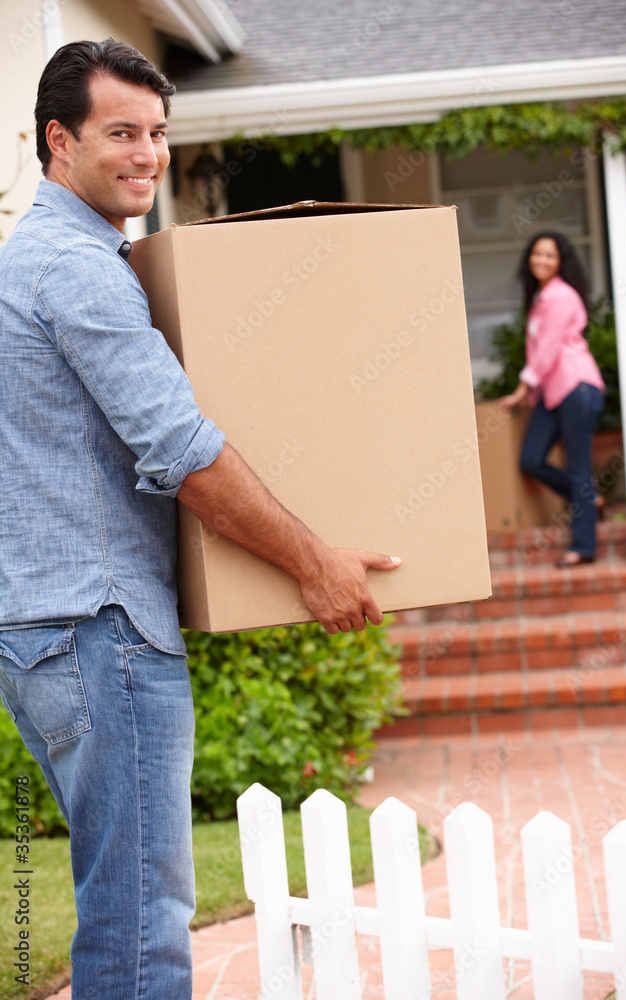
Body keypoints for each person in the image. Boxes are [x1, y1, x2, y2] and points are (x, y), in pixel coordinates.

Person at [0, 39, 401, 1000]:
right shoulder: (77, 269)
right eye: (120, 133)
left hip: (45, 628)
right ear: (58, 140)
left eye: (159, 133)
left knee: (121, 901)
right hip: (100, 629)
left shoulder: (36, 259)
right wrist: (313, 562)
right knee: (141, 923)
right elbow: (181, 450)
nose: (147, 154)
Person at [499, 231, 605, 566]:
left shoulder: (560, 296)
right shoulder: (542, 296)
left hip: (576, 388)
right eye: (537, 253)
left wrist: (522, 387)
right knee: (531, 460)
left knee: (578, 470)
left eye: (550, 255)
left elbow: (546, 351)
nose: (541, 260)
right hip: (553, 392)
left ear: (561, 262)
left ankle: (584, 547)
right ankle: (591, 500)